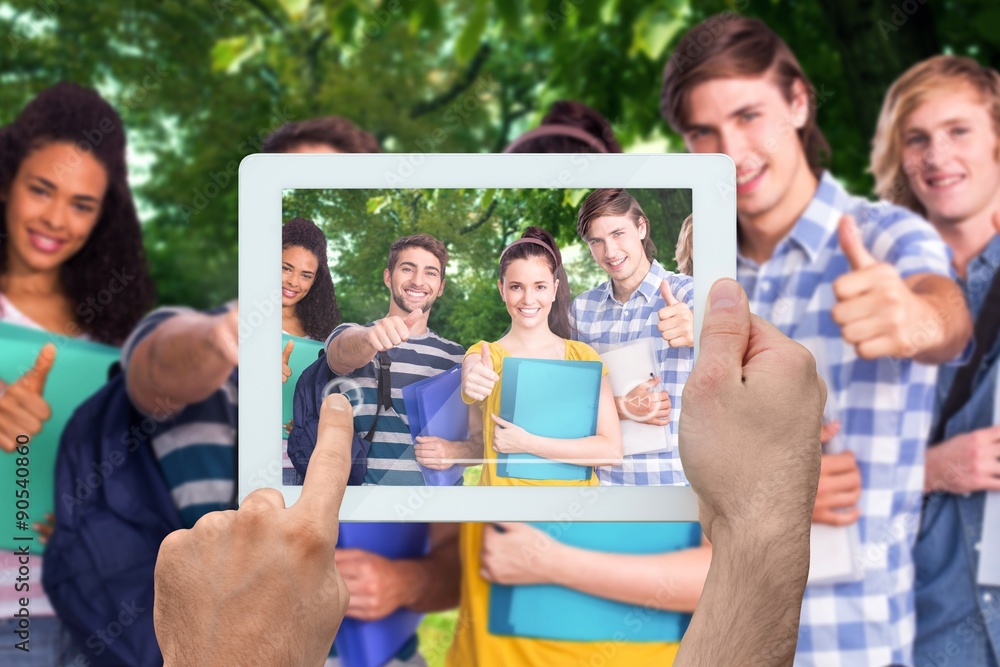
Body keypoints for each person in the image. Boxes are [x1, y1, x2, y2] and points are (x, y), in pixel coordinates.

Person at [152, 278, 825, 667]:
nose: (528, 296)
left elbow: (609, 453)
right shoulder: (471, 358)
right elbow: (473, 467)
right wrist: (460, 454)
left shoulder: (585, 354)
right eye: (517, 284)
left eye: (540, 283)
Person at [661, 15, 973, 666]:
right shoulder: (699, 275)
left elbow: (944, 318)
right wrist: (764, 491)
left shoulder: (885, 237)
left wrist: (911, 319)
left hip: (854, 647)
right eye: (704, 132)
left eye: (750, 115)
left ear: (799, 102)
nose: (732, 151)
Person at [476, 111, 707, 667]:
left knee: (670, 642)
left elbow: (745, 372)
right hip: (598, 488)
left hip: (676, 491)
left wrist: (701, 334)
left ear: (642, 227)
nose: (611, 251)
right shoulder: (580, 313)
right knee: (590, 636)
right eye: (597, 242)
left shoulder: (694, 293)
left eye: (619, 234)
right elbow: (575, 393)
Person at [0, 82, 156, 664]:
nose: (56, 219)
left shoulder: (122, 333)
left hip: (111, 611)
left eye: (82, 204)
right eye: (41, 190)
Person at [871, 55, 1000, 667]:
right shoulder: (867, 290)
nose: (936, 155)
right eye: (917, 138)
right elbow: (804, 478)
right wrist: (928, 469)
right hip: (920, 627)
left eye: (958, 131)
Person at [281, 217, 340, 341]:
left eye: (306, 276)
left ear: (315, 280)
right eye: (286, 268)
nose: (293, 282)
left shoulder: (319, 327)